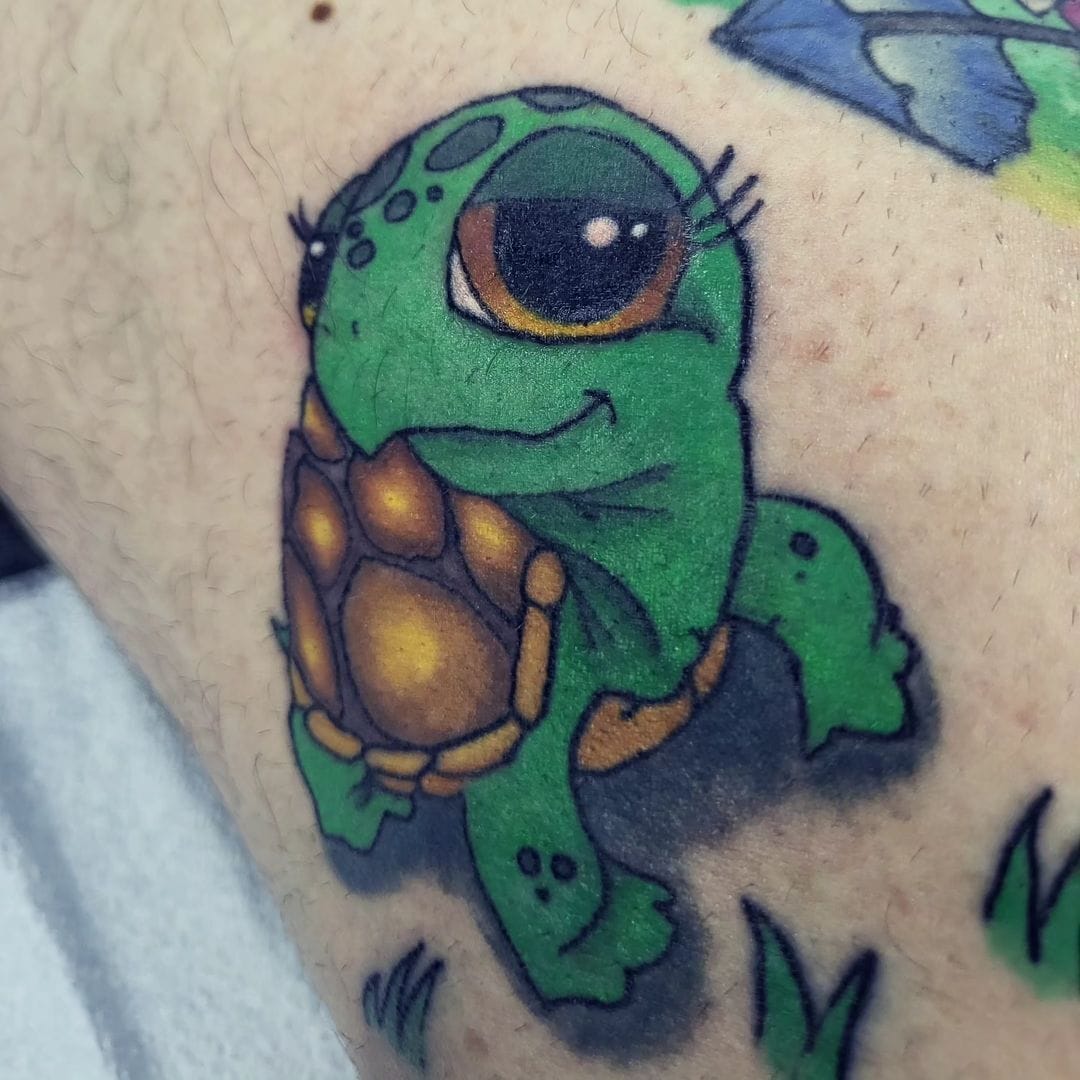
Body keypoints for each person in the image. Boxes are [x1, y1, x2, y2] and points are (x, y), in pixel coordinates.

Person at [1, 2, 1077, 1076]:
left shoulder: (729, 488)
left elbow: (800, 558)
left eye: (581, 254)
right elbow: (514, 795)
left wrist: (852, 662)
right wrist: (576, 943)